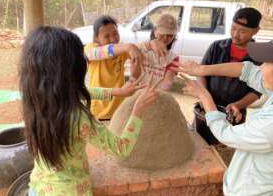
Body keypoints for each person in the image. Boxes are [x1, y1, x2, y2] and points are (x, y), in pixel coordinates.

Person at [19, 26, 160, 196]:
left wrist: (118, 92)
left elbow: (79, 90)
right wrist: (138, 109)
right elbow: (121, 148)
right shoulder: (78, 118)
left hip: (38, 187)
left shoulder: (35, 100)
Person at [174, 31, 273, 196]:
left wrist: (204, 95)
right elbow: (246, 70)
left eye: (267, 62)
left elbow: (226, 134)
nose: (260, 67)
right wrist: (201, 69)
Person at [84, 15, 166, 120]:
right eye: (106, 36)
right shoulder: (90, 49)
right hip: (98, 112)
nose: (113, 39)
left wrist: (151, 43)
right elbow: (104, 51)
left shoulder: (121, 50)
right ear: (96, 38)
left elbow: (139, 48)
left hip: (118, 110)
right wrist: (129, 47)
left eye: (115, 33)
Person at [199, 7, 262, 125]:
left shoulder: (259, 56)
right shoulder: (217, 47)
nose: (235, 34)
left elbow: (257, 91)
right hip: (207, 107)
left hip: (236, 113)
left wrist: (238, 105)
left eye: (242, 31)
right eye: (233, 28)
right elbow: (202, 73)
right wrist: (204, 95)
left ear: (256, 30)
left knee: (226, 142)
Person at [135, 14, 179, 91]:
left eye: (170, 35)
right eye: (162, 34)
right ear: (155, 30)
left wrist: (156, 92)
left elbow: (168, 83)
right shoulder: (142, 48)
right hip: (137, 93)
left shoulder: (173, 58)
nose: (165, 38)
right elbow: (128, 49)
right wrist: (149, 44)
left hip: (157, 96)